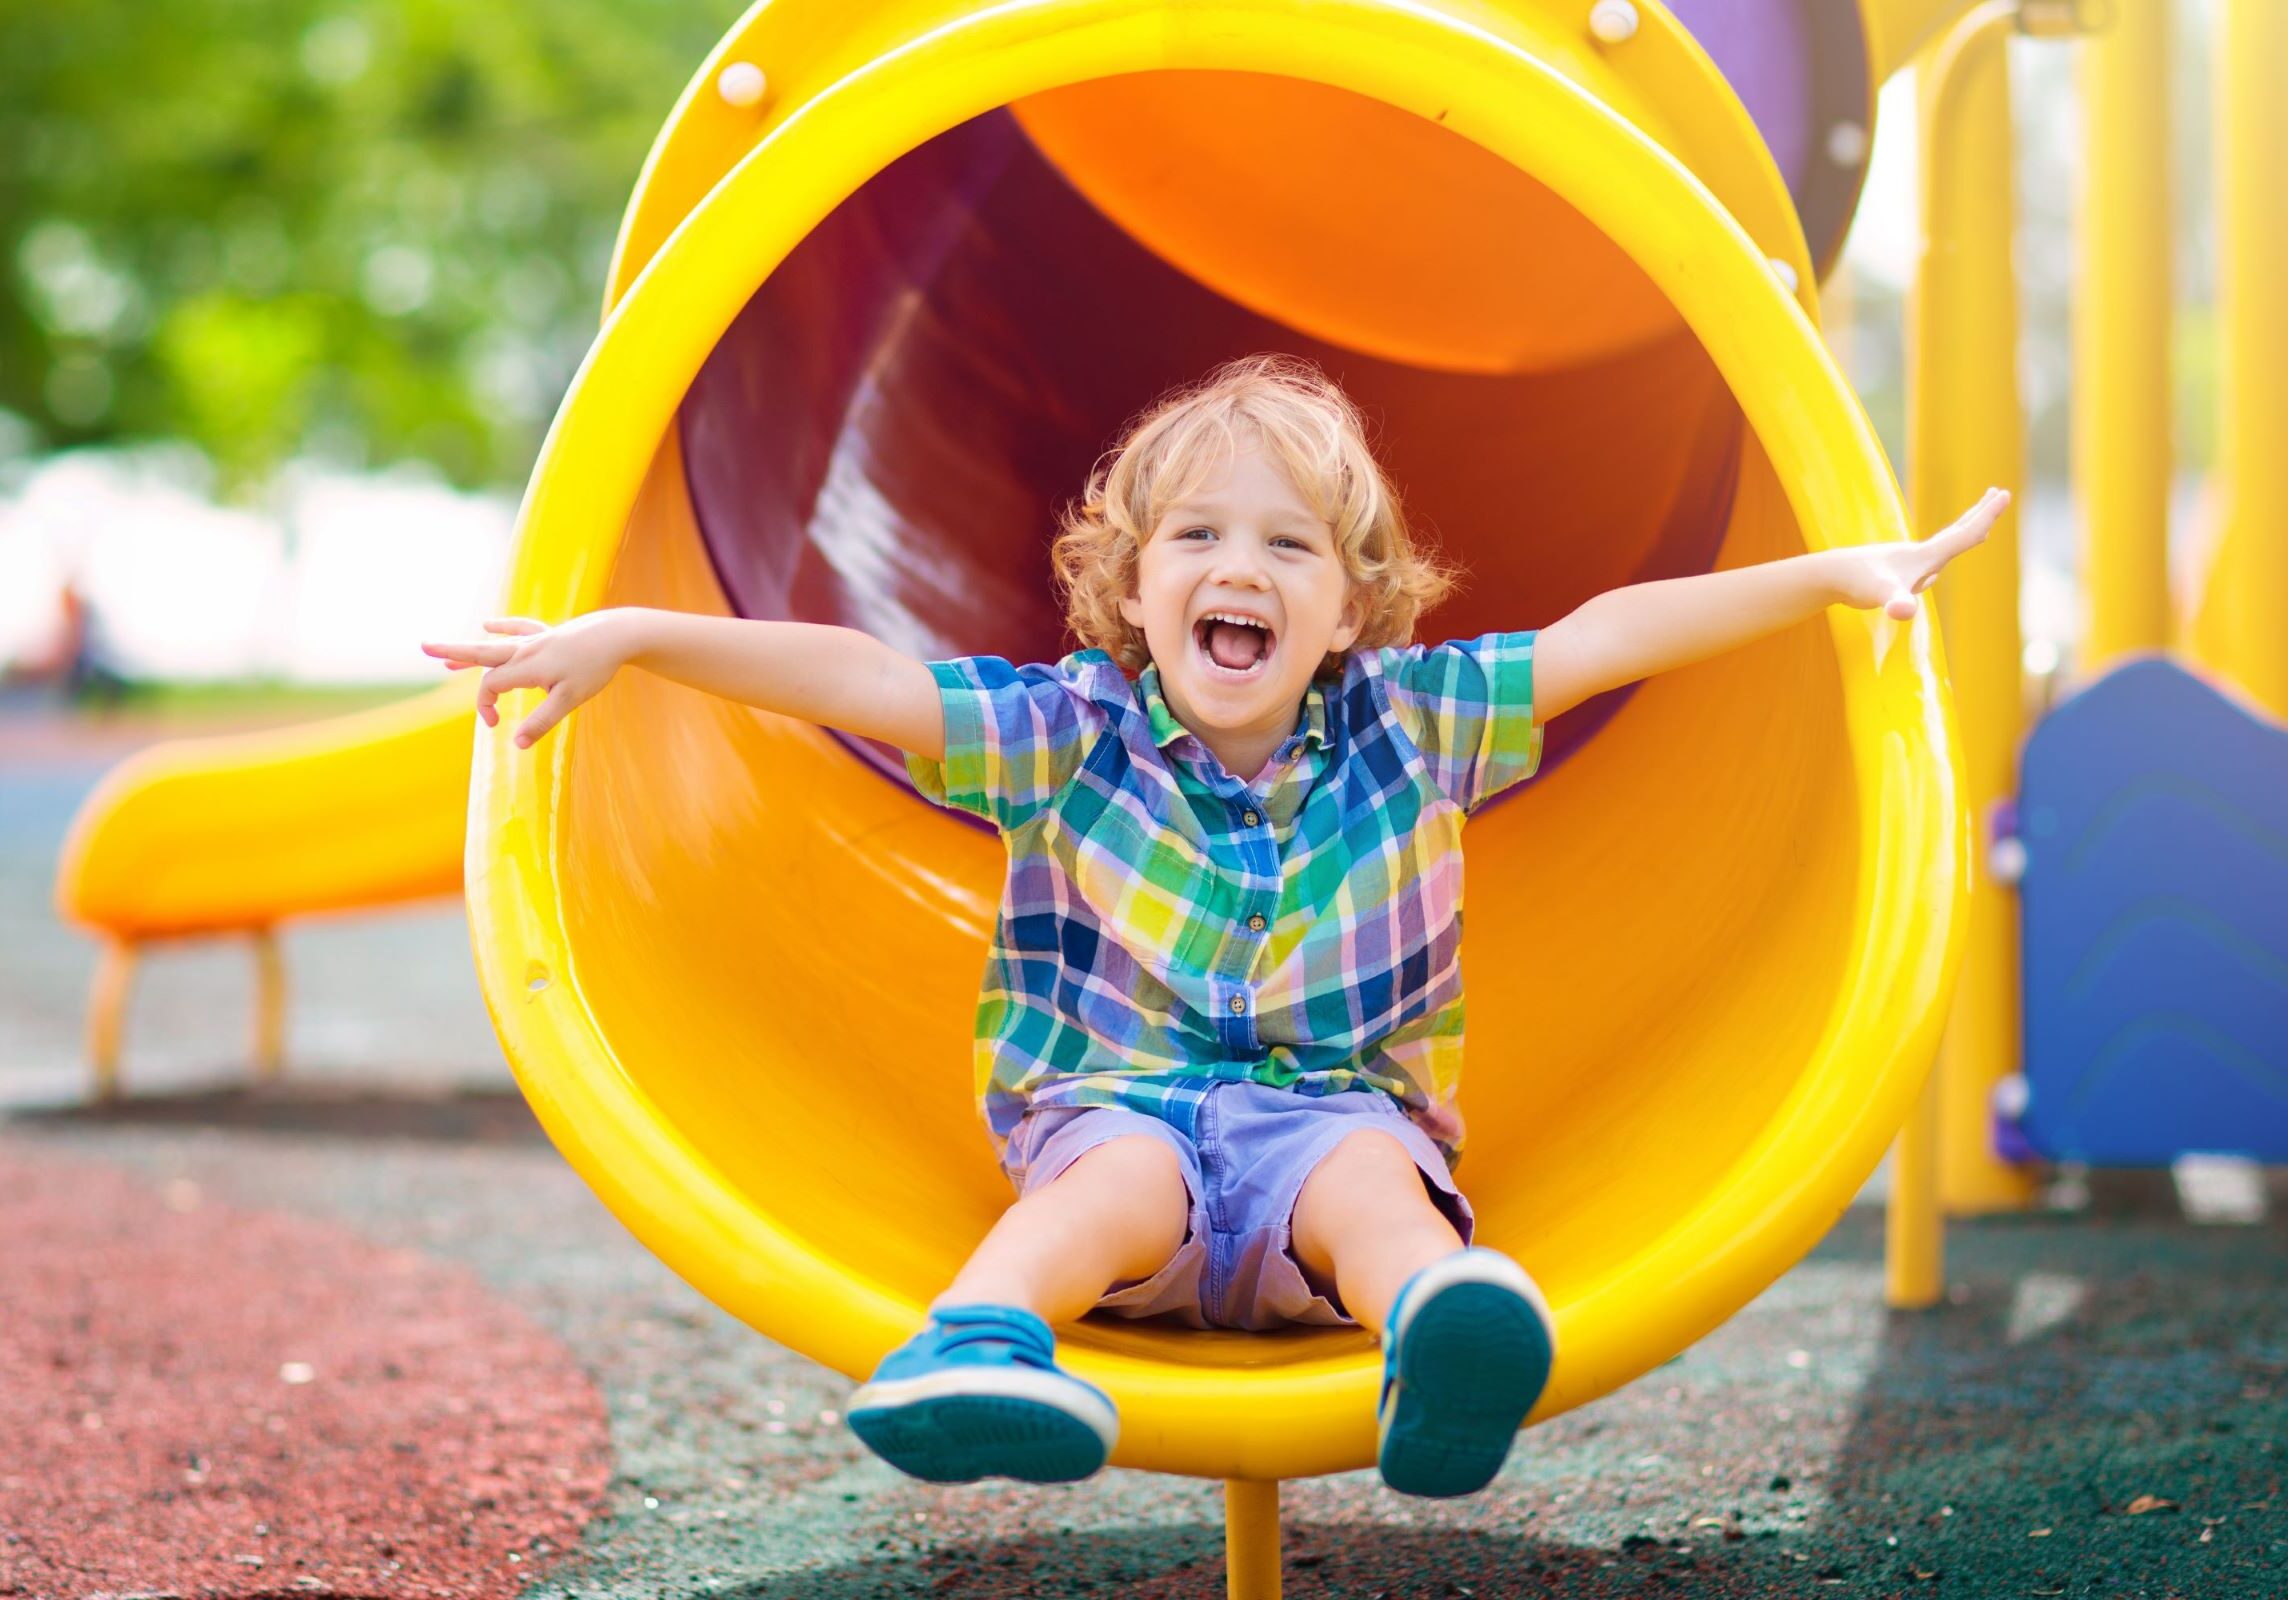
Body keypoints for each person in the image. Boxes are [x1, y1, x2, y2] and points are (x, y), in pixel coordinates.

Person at [423, 354, 2003, 1499]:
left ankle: (1441, 1333)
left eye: (1288, 546)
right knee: (1111, 1171)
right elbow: (862, 679)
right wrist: (631, 635)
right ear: (1130, 585)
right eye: (1196, 538)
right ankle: (976, 1346)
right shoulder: (1067, 728)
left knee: (1376, 1181)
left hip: (1328, 1125)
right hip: (1124, 1131)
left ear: (1351, 607)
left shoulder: (1418, 718)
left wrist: (1829, 576)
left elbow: (1607, 637)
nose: (1237, 569)